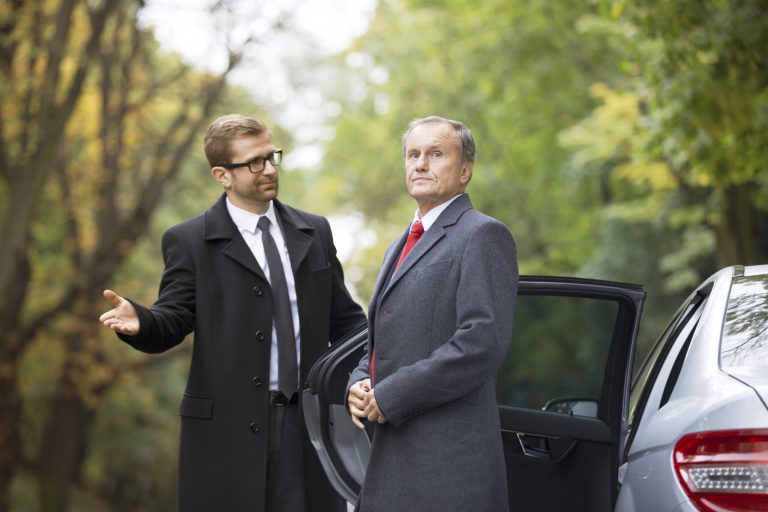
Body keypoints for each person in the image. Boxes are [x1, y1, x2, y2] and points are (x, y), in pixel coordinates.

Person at [99, 114, 365, 512]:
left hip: (309, 427)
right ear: (222, 175)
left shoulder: (315, 232)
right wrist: (141, 322)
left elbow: (348, 324)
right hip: (226, 434)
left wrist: (361, 375)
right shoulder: (189, 241)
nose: (270, 169)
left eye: (272, 156)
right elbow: (172, 319)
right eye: (255, 162)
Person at [346, 116, 518, 512]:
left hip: (449, 467)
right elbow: (382, 339)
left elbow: (481, 342)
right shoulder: (398, 245)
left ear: (464, 171)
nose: (420, 163)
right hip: (392, 459)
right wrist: (359, 382)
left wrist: (392, 395)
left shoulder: (482, 234)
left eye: (435, 153)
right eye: (413, 154)